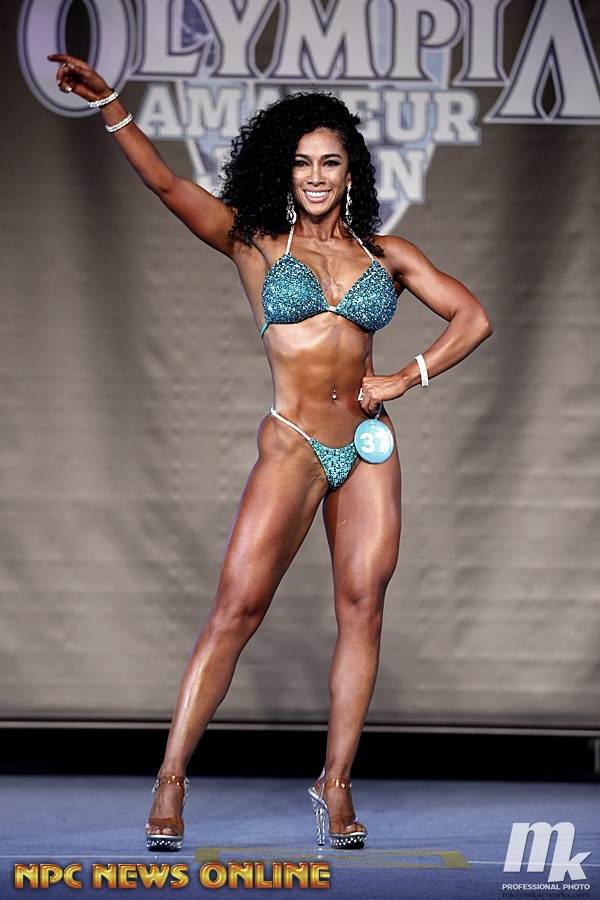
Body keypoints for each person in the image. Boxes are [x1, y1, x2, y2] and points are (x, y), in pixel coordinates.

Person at [49, 53, 493, 852]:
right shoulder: (254, 243)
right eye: (302, 163)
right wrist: (110, 101)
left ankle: (336, 782)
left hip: (368, 447)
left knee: (363, 609)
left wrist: (403, 378)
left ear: (350, 170)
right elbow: (165, 186)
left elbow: (473, 318)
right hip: (293, 442)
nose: (316, 176)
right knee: (236, 610)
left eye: (330, 162)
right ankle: (171, 778)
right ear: (283, 172)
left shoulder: (385, 255)